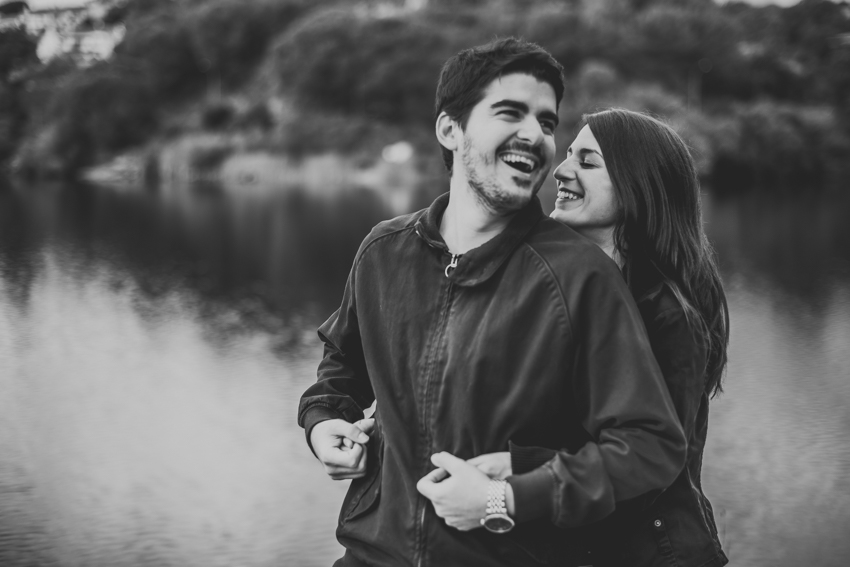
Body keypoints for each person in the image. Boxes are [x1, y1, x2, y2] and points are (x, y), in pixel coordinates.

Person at [298, 39, 687, 567]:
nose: (536, 135)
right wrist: (324, 423)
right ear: (450, 130)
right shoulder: (383, 251)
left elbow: (648, 446)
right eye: (510, 113)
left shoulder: (580, 276)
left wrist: (504, 499)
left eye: (547, 123)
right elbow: (342, 365)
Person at [473, 109, 730, 567]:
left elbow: (648, 470)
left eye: (588, 162)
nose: (560, 170)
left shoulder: (669, 317)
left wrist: (503, 489)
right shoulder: (565, 288)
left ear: (638, 188)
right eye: (569, 155)